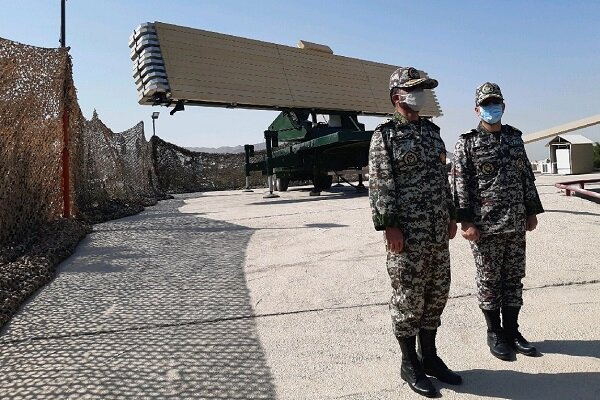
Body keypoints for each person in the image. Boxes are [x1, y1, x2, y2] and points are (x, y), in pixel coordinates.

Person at [369, 67, 461, 398]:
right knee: (408, 298)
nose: (420, 95)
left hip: (437, 233)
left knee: (436, 295)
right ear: (397, 97)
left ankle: (430, 358)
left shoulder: (433, 133)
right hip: (406, 236)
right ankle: (410, 364)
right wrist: (389, 225)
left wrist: (450, 215)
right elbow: (380, 184)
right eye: (414, 90)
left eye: (422, 89)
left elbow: (443, 179)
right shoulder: (386, 136)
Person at [451, 82, 544, 361]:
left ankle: (512, 331)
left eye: (496, 103)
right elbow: (460, 184)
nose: (492, 108)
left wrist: (531, 211)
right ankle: (494, 332)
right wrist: (466, 222)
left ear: (503, 106)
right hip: (485, 228)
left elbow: (526, 176)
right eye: (486, 104)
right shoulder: (467, 142)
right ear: (477, 109)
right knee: (489, 282)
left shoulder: (514, 139)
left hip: (515, 223)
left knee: (514, 280)